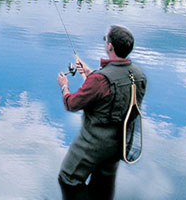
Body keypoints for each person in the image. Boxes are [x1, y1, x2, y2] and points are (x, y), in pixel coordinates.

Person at [56, 24, 147, 200]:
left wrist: (64, 87)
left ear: (110, 46)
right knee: (103, 185)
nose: (105, 42)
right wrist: (90, 73)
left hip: (93, 144)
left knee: (68, 179)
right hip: (119, 144)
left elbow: (72, 104)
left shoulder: (100, 80)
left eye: (105, 39)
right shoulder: (138, 74)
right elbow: (115, 95)